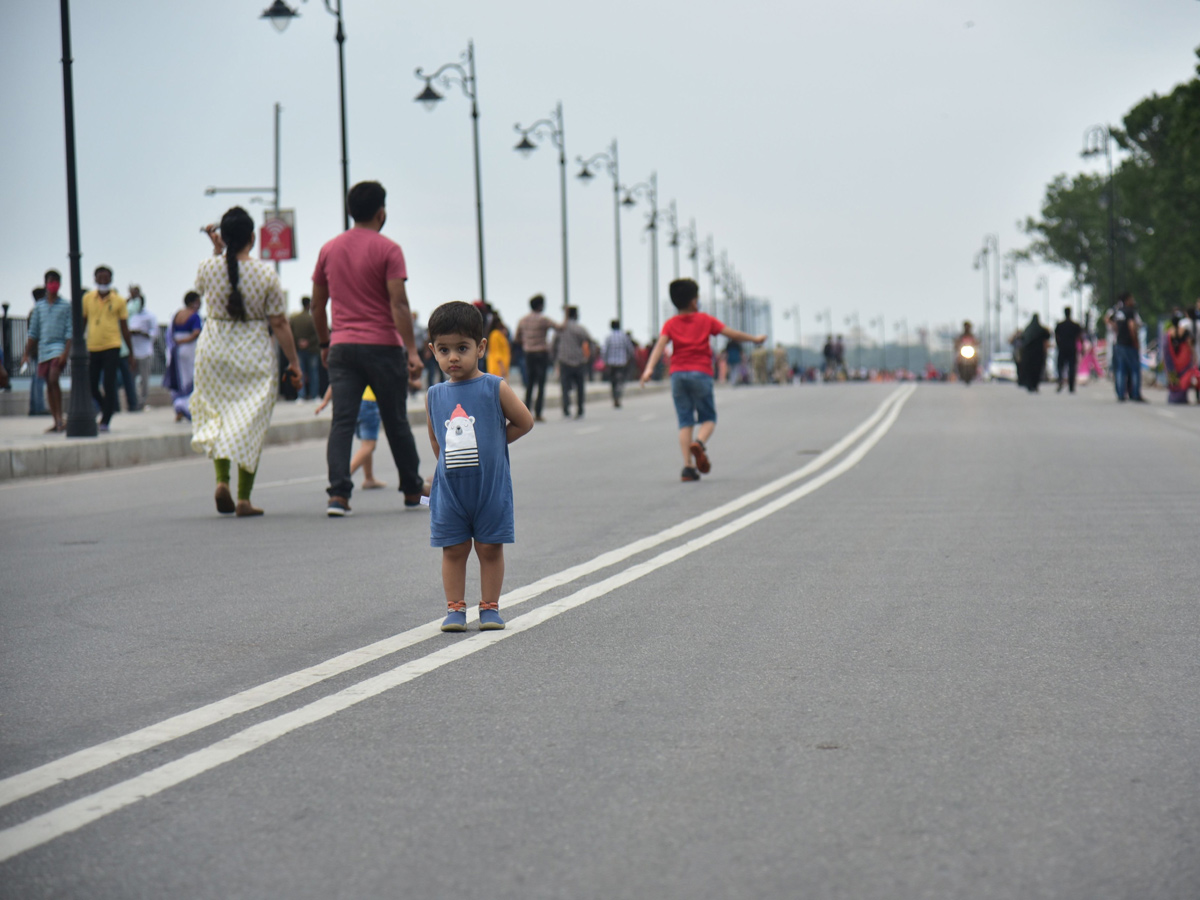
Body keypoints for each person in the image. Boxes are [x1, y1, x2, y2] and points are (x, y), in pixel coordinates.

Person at [310, 180, 425, 517]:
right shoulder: (389, 250)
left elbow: (318, 306)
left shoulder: (329, 249)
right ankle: (412, 490)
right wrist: (413, 352)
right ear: (381, 212)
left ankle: (339, 496)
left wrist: (323, 343)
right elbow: (399, 304)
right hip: (382, 347)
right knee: (396, 420)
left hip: (342, 348)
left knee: (342, 421)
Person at [423, 301, 534, 633]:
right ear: (432, 351)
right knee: (454, 548)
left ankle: (490, 607)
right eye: (444, 350)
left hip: (490, 487)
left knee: (489, 547)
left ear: (480, 347)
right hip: (452, 490)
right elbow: (436, 441)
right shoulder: (434, 394)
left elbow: (524, 422)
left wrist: (495, 443)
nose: (453, 357)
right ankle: (455, 609)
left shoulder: (494, 386)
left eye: (462, 348)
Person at [191, 207, 302, 517]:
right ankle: (243, 498)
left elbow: (201, 287)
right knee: (249, 424)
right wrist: (294, 362)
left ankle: (221, 480)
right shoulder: (266, 273)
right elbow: (279, 323)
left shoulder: (208, 267)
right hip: (252, 351)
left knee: (219, 417)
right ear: (253, 237)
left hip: (213, 351)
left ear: (224, 238)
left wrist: (216, 251)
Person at [640, 278, 766, 481]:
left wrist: (649, 369)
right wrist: (755, 339)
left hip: (678, 375)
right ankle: (699, 443)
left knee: (685, 421)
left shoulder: (670, 324)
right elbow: (732, 334)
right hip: (701, 373)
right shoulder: (705, 320)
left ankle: (688, 467)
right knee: (708, 419)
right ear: (693, 301)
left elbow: (660, 346)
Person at [81, 265, 135, 432]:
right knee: (91, 384)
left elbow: (124, 327)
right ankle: (106, 407)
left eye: (106, 278)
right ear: (95, 279)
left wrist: (131, 352)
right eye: (100, 277)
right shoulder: (87, 298)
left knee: (109, 382)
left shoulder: (118, 300)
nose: (103, 281)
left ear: (111, 279)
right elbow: (83, 322)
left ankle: (106, 419)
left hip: (112, 345)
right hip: (93, 346)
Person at [21, 274, 72, 432]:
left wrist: (65, 353)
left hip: (58, 348)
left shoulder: (66, 305)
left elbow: (70, 331)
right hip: (43, 350)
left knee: (53, 377)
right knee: (49, 384)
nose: (53, 285)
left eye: (56, 282)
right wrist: (25, 353)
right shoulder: (39, 307)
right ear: (46, 284)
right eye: (50, 282)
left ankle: (59, 417)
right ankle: (56, 419)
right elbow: (33, 332)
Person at [315, 385, 387, 488]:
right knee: (369, 445)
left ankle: (369, 477)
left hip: (353, 400)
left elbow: (336, 378)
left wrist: (326, 400)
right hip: (369, 401)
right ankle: (342, 477)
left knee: (365, 442)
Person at [514, 294, 558, 422]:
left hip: (529, 354)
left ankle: (526, 412)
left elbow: (517, 338)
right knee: (541, 384)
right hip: (541, 354)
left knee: (530, 384)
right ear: (541, 305)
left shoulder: (523, 320)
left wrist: (527, 342)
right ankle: (538, 413)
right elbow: (559, 327)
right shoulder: (543, 320)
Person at [164, 291, 202, 422]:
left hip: (176, 350)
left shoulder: (177, 315)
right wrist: (184, 341)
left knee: (180, 380)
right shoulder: (195, 316)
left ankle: (179, 408)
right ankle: (188, 408)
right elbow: (196, 333)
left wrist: (177, 342)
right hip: (189, 349)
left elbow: (170, 333)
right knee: (191, 380)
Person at [553, 306, 590, 419]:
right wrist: (586, 358)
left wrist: (555, 358)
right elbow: (588, 342)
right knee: (580, 387)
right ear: (575, 315)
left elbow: (553, 344)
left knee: (565, 387)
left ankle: (566, 409)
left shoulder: (560, 329)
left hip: (564, 361)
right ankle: (580, 409)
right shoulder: (580, 329)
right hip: (578, 361)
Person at [1107, 292, 1144, 402]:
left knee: (1120, 370)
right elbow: (1131, 326)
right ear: (1127, 300)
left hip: (1119, 343)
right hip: (1129, 344)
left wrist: (1116, 330)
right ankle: (1135, 393)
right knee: (1134, 370)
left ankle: (1120, 394)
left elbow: (1108, 319)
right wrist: (1135, 340)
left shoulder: (1117, 312)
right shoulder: (1130, 311)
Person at [127, 285, 158, 409]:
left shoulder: (150, 316)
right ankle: (133, 402)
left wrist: (142, 333)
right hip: (132, 352)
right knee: (131, 379)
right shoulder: (129, 314)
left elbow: (154, 333)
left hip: (144, 352)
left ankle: (142, 402)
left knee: (144, 380)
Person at [290, 296, 322, 400]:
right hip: (312, 350)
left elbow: (291, 334)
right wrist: (308, 342)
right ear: (309, 305)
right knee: (313, 374)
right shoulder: (312, 319)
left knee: (300, 373)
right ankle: (314, 395)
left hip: (299, 350)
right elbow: (318, 334)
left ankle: (301, 395)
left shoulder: (294, 319)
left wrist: (299, 343)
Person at [1164, 313, 1200, 404]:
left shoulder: (1169, 333)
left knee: (1174, 377)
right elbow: (1189, 343)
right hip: (1183, 359)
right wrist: (1194, 355)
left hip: (1172, 359)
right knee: (1185, 377)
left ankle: (1174, 397)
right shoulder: (1184, 331)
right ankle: (1183, 397)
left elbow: (1166, 348)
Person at [600, 319, 635, 408]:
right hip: (622, 362)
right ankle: (618, 397)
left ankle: (614, 398)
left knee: (613, 382)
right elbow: (630, 349)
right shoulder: (624, 337)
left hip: (611, 363)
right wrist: (628, 358)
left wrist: (605, 360)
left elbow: (604, 351)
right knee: (621, 381)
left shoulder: (609, 337)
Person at [26, 287, 49, 417]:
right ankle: (39, 407)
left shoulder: (33, 312)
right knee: (39, 378)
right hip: (40, 349)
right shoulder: (38, 312)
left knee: (36, 378)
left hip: (36, 350)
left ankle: (34, 406)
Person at [1017, 313, 1051, 393]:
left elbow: (1022, 338)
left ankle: (1029, 385)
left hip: (1028, 353)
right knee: (1037, 369)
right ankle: (1035, 385)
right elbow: (1048, 336)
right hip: (1038, 353)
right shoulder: (1041, 329)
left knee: (1029, 369)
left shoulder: (1027, 329)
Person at [1054, 307, 1083, 393]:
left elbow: (1056, 336)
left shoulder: (1059, 325)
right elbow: (1080, 337)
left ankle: (1060, 380)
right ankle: (1071, 386)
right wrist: (1081, 347)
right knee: (1072, 367)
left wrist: (1058, 344)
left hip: (1062, 348)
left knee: (1060, 366)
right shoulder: (1075, 325)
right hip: (1072, 348)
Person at [485, 314, 511, 381]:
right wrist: (502, 368)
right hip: (498, 367)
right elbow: (496, 353)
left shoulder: (499, 335)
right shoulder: (495, 335)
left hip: (501, 366)